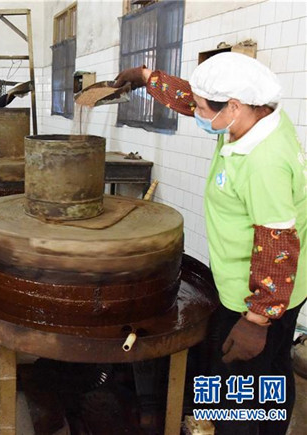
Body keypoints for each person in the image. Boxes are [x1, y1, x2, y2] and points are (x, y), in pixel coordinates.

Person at [114, 52, 306, 434]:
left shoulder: (263, 161)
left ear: (233, 106)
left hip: (257, 295)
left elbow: (278, 244)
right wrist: (148, 77)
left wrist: (257, 320)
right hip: (284, 287)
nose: (196, 112)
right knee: (273, 372)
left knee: (236, 393)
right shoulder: (253, 116)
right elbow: (192, 99)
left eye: (203, 108)